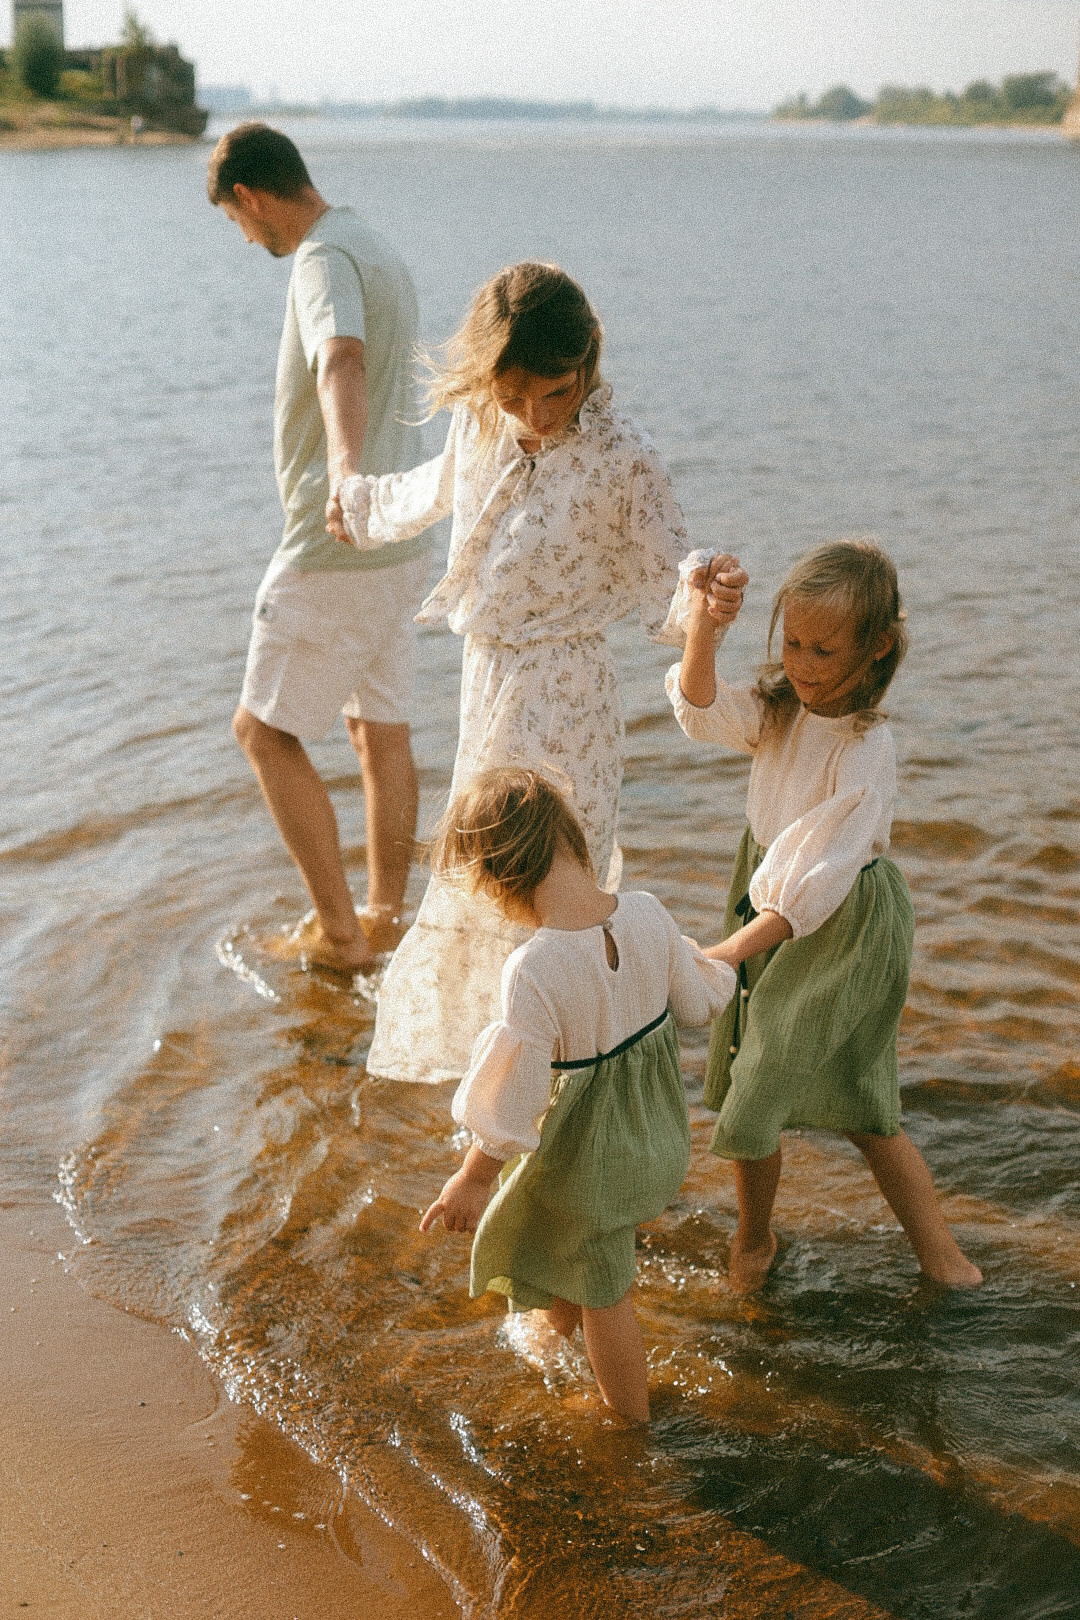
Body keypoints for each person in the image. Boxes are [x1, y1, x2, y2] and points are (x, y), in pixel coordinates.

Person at [327, 261, 747, 1078]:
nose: (538, 415)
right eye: (517, 396)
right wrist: (356, 503)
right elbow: (433, 490)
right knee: (489, 878)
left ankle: (576, 1072)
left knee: (552, 885)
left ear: (588, 360)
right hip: (486, 686)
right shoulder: (484, 422)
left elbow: (672, 567)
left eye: (556, 393)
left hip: (570, 698)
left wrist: (709, 590)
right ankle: (502, 1080)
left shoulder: (625, 455)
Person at [668, 539, 983, 1292]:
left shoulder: (865, 745)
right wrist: (704, 627)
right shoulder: (779, 710)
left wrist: (720, 955)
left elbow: (814, 877)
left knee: (862, 1102)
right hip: (768, 897)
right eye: (793, 643)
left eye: (824, 649)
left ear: (875, 649)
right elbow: (700, 710)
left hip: (839, 921)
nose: (803, 664)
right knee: (752, 1078)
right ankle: (755, 1238)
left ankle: (944, 1258)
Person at [418, 769, 736, 1422]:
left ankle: (630, 1425)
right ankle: (551, 1332)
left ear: (498, 880)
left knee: (605, 1292)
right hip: (657, 1142)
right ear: (571, 838)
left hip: (595, 1159)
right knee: (569, 1233)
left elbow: (514, 1099)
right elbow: (701, 1003)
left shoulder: (533, 967)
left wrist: (473, 1178)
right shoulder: (648, 912)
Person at [208, 122, 433, 973]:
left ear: (251, 197)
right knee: (380, 731)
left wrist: (343, 473)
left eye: (236, 220)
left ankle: (341, 937)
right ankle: (384, 917)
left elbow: (340, 355)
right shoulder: (371, 240)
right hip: (398, 537)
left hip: (337, 537)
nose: (244, 236)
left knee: (261, 732)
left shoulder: (318, 260)